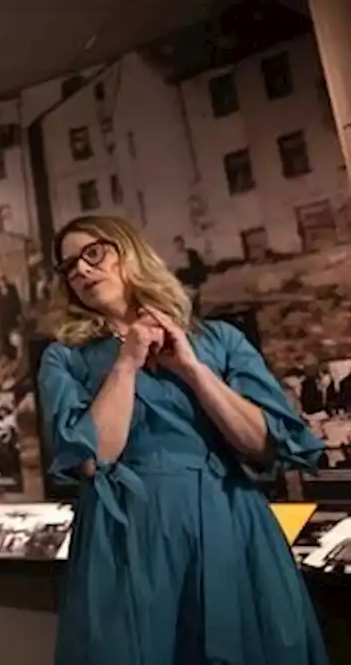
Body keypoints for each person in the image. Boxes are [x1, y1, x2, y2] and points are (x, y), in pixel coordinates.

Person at [38, 214, 328, 665]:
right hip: (130, 536)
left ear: (128, 251)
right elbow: (94, 458)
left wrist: (193, 370)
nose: (80, 270)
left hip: (229, 522)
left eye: (93, 253)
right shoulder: (66, 359)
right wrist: (126, 364)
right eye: (69, 266)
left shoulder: (220, 341)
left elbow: (264, 445)